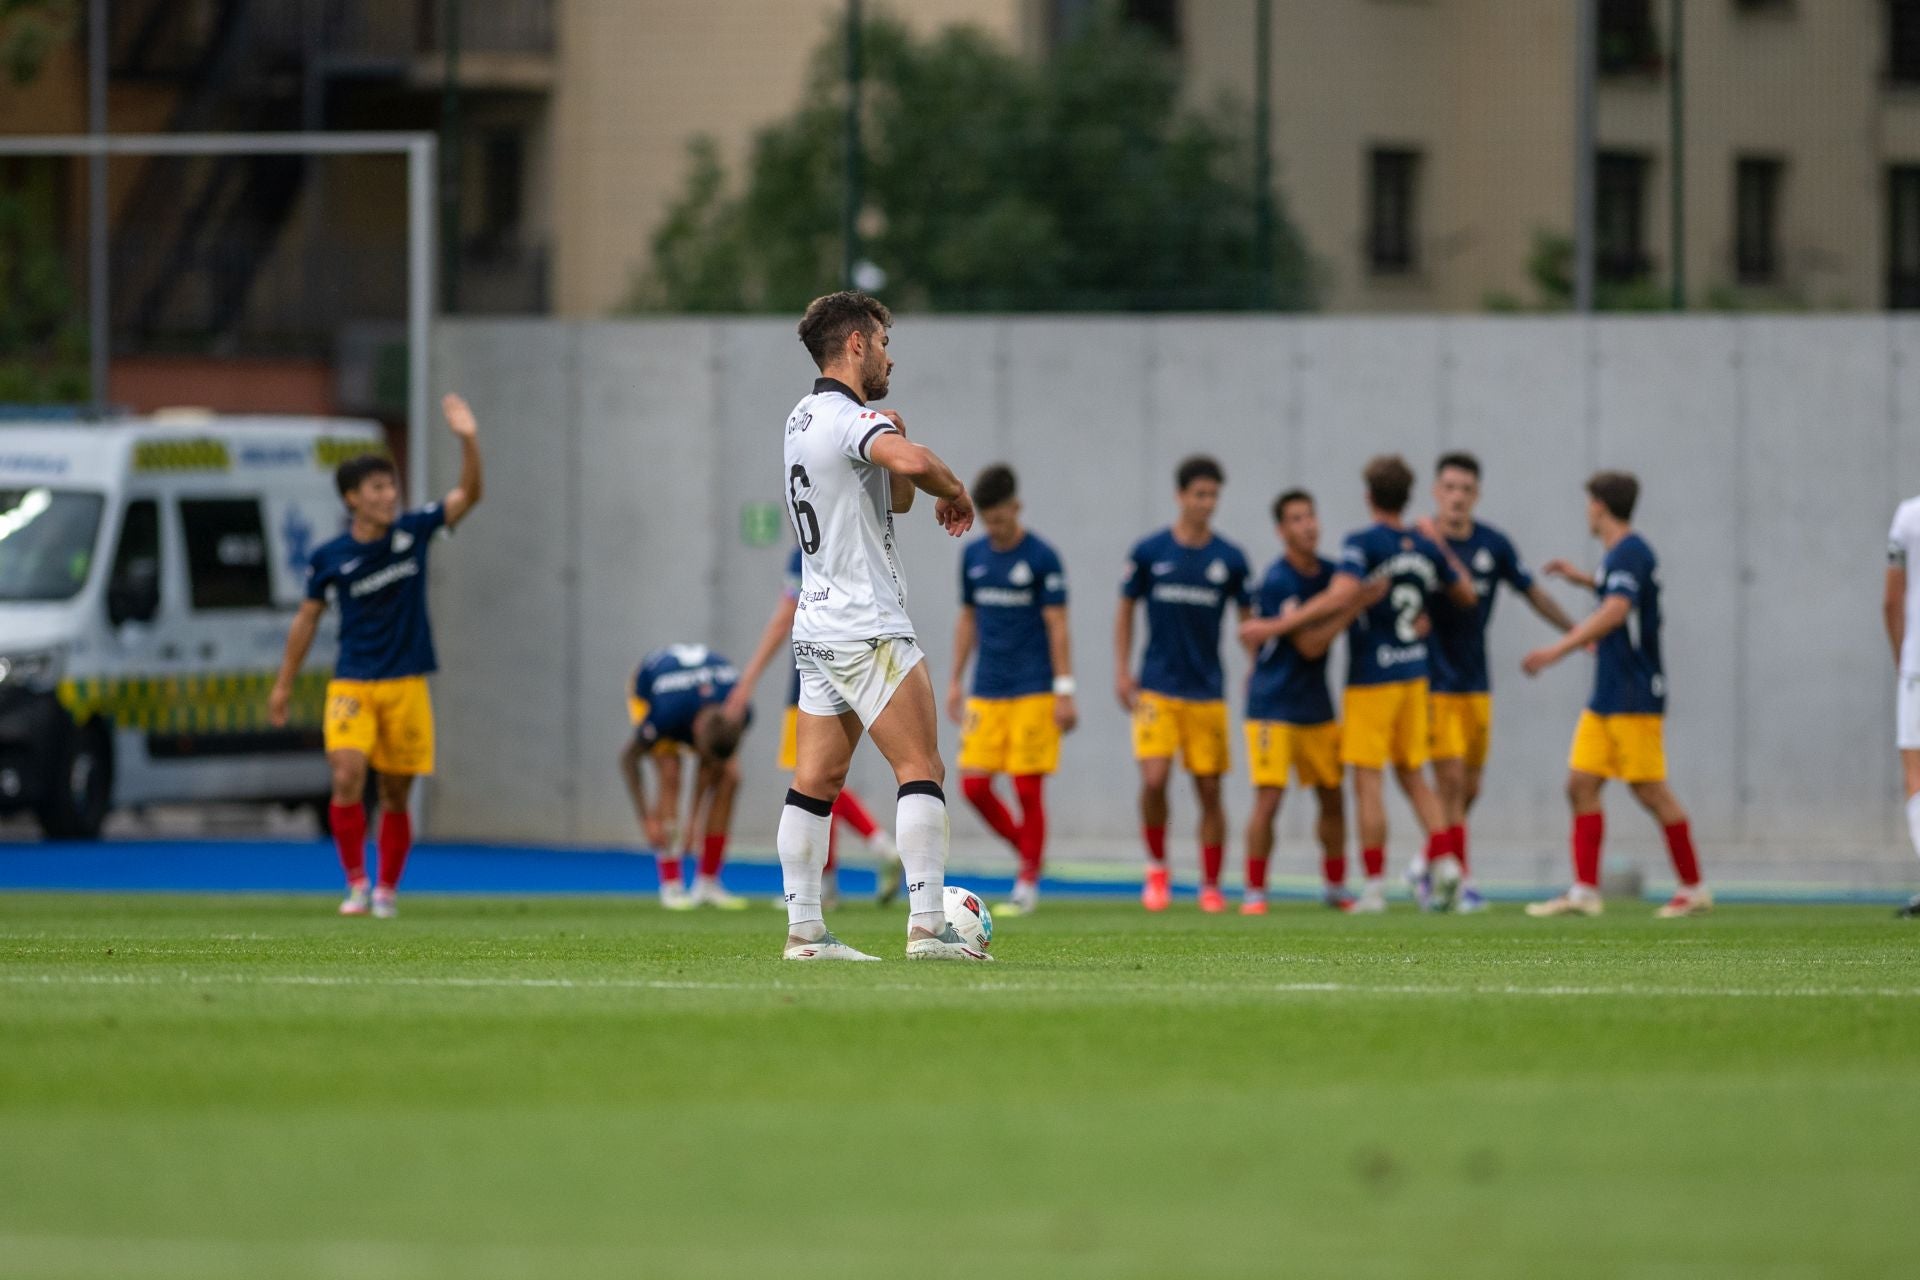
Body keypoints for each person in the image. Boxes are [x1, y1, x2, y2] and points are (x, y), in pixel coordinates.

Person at [776, 290, 984, 962]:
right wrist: (955, 491)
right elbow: (916, 468)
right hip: (869, 625)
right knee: (921, 766)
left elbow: (890, 493)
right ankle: (929, 927)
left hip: (818, 627)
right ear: (856, 344)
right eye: (884, 342)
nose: (890, 355)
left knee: (816, 782)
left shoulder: (801, 418)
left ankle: (805, 932)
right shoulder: (843, 417)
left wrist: (885, 430)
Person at [268, 393, 484, 918]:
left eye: (392, 486)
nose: (391, 496)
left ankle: (387, 888)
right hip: (352, 682)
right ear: (352, 500)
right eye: (379, 488)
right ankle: (356, 883)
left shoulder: (413, 533)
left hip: (406, 682)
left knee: (395, 792)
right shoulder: (330, 558)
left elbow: (470, 495)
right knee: (346, 774)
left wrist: (468, 440)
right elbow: (307, 619)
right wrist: (284, 683)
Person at [1262, 456, 1476, 914]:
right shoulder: (1423, 545)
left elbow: (1342, 594)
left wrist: (1278, 625)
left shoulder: (1362, 543)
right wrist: (1433, 556)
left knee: (1368, 783)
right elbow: (1466, 594)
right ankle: (1450, 866)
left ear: (1369, 497)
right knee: (1416, 777)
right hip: (1415, 674)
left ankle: (1374, 886)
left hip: (1372, 678)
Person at [1522, 471, 1711, 919]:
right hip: (1607, 693)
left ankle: (1693, 886)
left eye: (1589, 503)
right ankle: (1585, 891)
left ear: (1601, 506)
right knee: (1580, 784)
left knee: (1650, 790)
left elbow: (1617, 610)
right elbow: (1619, 593)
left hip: (1633, 691)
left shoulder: (1630, 551)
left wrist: (1557, 649)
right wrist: (1583, 579)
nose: (1587, 510)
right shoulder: (1619, 557)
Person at [1420, 452, 1575, 911]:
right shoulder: (1421, 544)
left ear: (1477, 495)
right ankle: (1461, 881)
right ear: (1436, 492)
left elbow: (1533, 593)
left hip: (1475, 681)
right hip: (1431, 683)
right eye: (1449, 488)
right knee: (1447, 783)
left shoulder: (1494, 545)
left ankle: (1429, 865)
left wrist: (1575, 632)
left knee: (1470, 789)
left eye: (1466, 489)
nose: (1457, 498)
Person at [728, 546, 902, 909]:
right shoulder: (855, 542)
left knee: (812, 778)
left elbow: (784, 617)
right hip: (857, 667)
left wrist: (749, 677)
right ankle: (854, 864)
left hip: (813, 677)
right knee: (826, 777)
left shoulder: (806, 551)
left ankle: (835, 875)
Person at [1116, 456, 1252, 914]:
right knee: (1154, 780)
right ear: (1180, 497)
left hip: (1206, 691)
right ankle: (1158, 869)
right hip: (1157, 686)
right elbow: (1125, 608)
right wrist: (1122, 669)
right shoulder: (1151, 552)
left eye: (1213, 495)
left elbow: (1247, 622)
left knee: (1209, 789)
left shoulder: (1229, 559)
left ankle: (1210, 884)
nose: (1206, 503)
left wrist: (1254, 667)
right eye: (1199, 494)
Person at [1236, 489, 1382, 915]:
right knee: (1270, 798)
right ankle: (1254, 890)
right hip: (1272, 705)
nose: (1308, 526)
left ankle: (1334, 885)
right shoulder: (1277, 579)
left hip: (1316, 706)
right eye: (1297, 519)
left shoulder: (1335, 574)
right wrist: (1353, 606)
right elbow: (1312, 645)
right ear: (1282, 531)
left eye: (1311, 516)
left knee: (1332, 797)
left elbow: (1356, 599)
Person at [945, 463, 1076, 916]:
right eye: (989, 519)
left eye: (1002, 517)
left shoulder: (1043, 558)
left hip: (1034, 689)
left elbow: (1057, 625)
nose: (995, 527)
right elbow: (968, 620)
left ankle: (1027, 882)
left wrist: (1064, 689)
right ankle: (1028, 851)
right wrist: (955, 681)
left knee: (1026, 788)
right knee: (974, 785)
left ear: (1016, 508)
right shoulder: (975, 557)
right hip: (987, 688)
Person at [621, 644, 750, 911]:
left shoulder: (741, 711)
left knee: (730, 777)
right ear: (694, 732)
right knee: (670, 772)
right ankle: (671, 883)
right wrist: (646, 818)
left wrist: (693, 821)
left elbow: (711, 764)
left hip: (700, 691)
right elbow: (628, 759)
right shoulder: (666, 715)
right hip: (648, 686)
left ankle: (708, 882)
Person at [1889, 493, 1920, 918]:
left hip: (1919, 666)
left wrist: (1903, 658)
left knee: (1915, 772)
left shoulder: (1910, 515)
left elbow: (1890, 600)